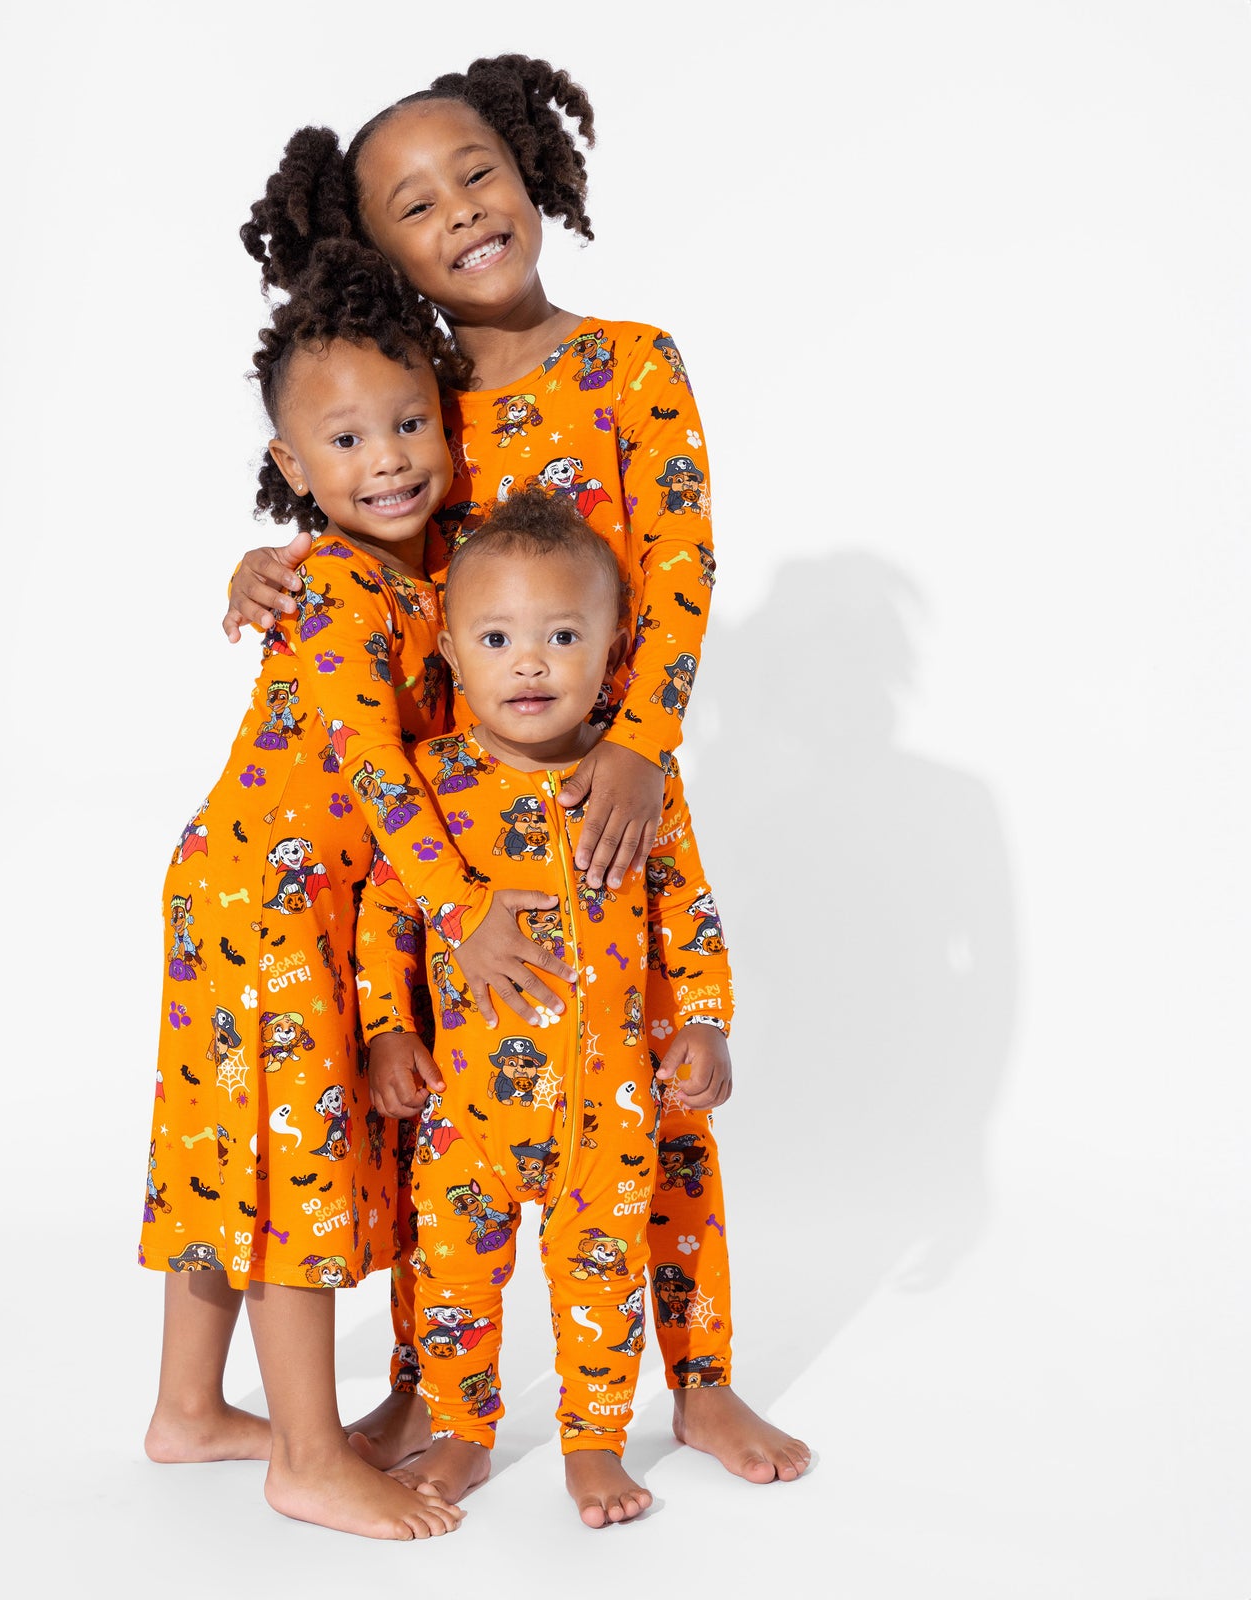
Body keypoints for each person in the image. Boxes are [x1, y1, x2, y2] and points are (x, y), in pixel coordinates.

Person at [228, 53, 809, 1484]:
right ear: (382, 252)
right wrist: (263, 566)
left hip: (611, 786)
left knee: (660, 1109)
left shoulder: (634, 364)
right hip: (456, 817)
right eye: (417, 205)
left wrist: (642, 744)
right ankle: (442, 1396)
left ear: (534, 171)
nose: (463, 212)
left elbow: (681, 566)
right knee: (444, 1126)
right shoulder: (414, 399)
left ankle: (701, 1384)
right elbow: (360, 524)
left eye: (478, 173)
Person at [138, 239, 515, 1540]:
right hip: (267, 904)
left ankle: (189, 1410)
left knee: (225, 1152)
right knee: (288, 1163)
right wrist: (463, 907)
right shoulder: (345, 584)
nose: (390, 459)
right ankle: (306, 1453)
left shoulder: (419, 578)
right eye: (347, 441)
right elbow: (371, 770)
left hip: (254, 893)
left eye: (410, 424)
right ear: (294, 470)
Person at [357, 489, 737, 1527]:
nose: (529, 663)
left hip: (607, 1105)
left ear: (612, 648)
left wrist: (705, 1019)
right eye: (497, 639)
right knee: (450, 1278)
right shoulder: (432, 786)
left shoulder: (640, 785)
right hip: (464, 1106)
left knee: (599, 1279)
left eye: (562, 636)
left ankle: (595, 1444)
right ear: (451, 652)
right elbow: (387, 914)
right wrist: (388, 1031)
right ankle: (459, 1431)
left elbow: (687, 910)